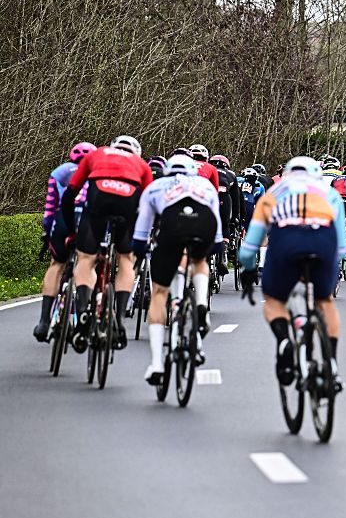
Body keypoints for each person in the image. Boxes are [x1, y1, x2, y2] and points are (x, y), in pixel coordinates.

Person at [239, 157, 346, 389]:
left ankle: (285, 339)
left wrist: (248, 269)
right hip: (322, 241)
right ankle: (333, 368)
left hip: (286, 242)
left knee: (275, 300)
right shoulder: (329, 193)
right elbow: (341, 247)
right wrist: (331, 268)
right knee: (325, 301)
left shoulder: (273, 192)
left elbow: (250, 247)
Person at [131, 155, 222, 384]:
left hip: (172, 224)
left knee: (160, 293)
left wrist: (139, 249)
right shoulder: (205, 184)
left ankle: (157, 365)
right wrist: (218, 245)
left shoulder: (156, 186)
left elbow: (142, 230)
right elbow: (218, 224)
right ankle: (201, 303)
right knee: (200, 260)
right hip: (204, 222)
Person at [60, 135, 152, 350]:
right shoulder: (141, 164)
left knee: (86, 257)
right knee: (126, 260)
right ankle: (119, 319)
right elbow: (149, 203)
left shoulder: (96, 154)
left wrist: (73, 232)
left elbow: (70, 194)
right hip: (128, 203)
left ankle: (82, 311)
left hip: (98, 200)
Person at [34, 142, 96, 341]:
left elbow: (50, 207)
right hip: (86, 219)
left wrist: (47, 230)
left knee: (56, 264)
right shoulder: (96, 174)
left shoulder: (59, 172)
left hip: (62, 219)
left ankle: (44, 322)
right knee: (87, 263)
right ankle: (82, 314)